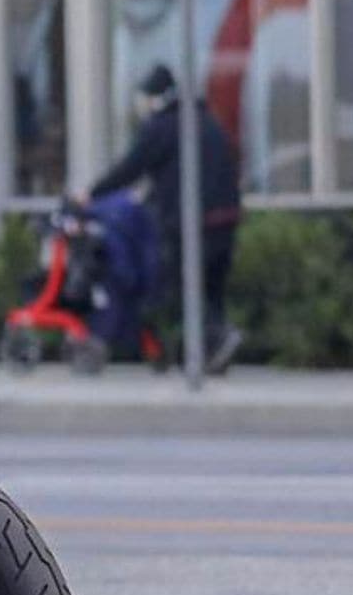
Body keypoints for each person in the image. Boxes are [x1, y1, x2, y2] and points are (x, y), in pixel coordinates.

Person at [83, 64, 243, 372]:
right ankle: (213, 352)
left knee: (185, 284)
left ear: (155, 99)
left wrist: (92, 195)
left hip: (194, 219)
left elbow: (131, 168)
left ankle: (217, 337)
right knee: (212, 287)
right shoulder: (205, 120)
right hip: (227, 216)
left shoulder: (163, 127)